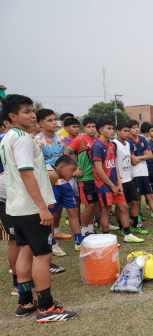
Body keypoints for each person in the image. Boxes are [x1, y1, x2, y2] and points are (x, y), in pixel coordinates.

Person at [1, 94, 76, 322]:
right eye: (26, 112)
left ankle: (25, 302)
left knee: (24, 250)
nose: (32, 115)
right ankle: (46, 308)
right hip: (31, 207)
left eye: (33, 110)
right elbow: (26, 173)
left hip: (16, 206)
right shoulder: (23, 139)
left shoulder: (8, 137)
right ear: (13, 116)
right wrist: (43, 208)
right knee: (42, 256)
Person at [34, 109, 81, 253]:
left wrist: (73, 170)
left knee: (73, 210)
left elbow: (64, 159)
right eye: (50, 120)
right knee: (52, 214)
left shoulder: (60, 139)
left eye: (55, 119)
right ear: (41, 124)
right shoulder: (37, 141)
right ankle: (52, 243)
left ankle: (79, 241)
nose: (54, 123)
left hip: (64, 182)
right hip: (49, 184)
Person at [91, 118, 144, 243]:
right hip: (104, 185)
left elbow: (114, 165)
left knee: (124, 207)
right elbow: (99, 170)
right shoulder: (97, 146)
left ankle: (127, 234)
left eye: (112, 128)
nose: (112, 131)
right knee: (107, 210)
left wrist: (118, 183)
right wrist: (111, 185)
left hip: (115, 183)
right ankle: (107, 238)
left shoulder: (110, 145)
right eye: (108, 128)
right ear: (100, 130)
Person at [127, 120, 153, 228]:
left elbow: (149, 156)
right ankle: (138, 220)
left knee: (150, 195)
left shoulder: (143, 140)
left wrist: (139, 157)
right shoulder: (128, 142)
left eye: (137, 127)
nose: (136, 129)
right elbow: (133, 161)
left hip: (145, 173)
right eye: (133, 127)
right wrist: (143, 156)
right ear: (129, 130)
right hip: (134, 174)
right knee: (137, 198)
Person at [112, 122, 148, 234]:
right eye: (125, 131)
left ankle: (136, 225)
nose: (127, 133)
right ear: (118, 131)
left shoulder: (127, 144)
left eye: (128, 131)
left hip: (129, 178)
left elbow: (128, 160)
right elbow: (113, 162)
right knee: (121, 206)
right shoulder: (114, 144)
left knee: (136, 201)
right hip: (120, 180)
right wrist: (116, 177)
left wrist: (130, 173)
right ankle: (121, 227)